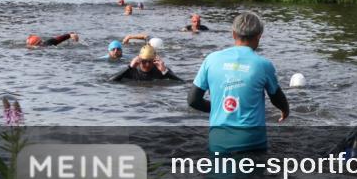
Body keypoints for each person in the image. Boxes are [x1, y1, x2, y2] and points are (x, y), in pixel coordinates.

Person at [188, 12, 289, 154]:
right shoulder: (263, 65)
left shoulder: (211, 60)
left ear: (233, 34)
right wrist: (285, 110)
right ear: (259, 35)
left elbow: (193, 100)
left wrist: (219, 107)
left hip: (218, 143)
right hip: (253, 144)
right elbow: (276, 97)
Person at [111, 44, 181, 82]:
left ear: (154, 61)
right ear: (139, 60)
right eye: (144, 61)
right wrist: (129, 67)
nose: (147, 64)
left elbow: (181, 82)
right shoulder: (132, 70)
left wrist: (165, 71)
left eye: (150, 61)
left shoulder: (160, 71)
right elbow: (111, 81)